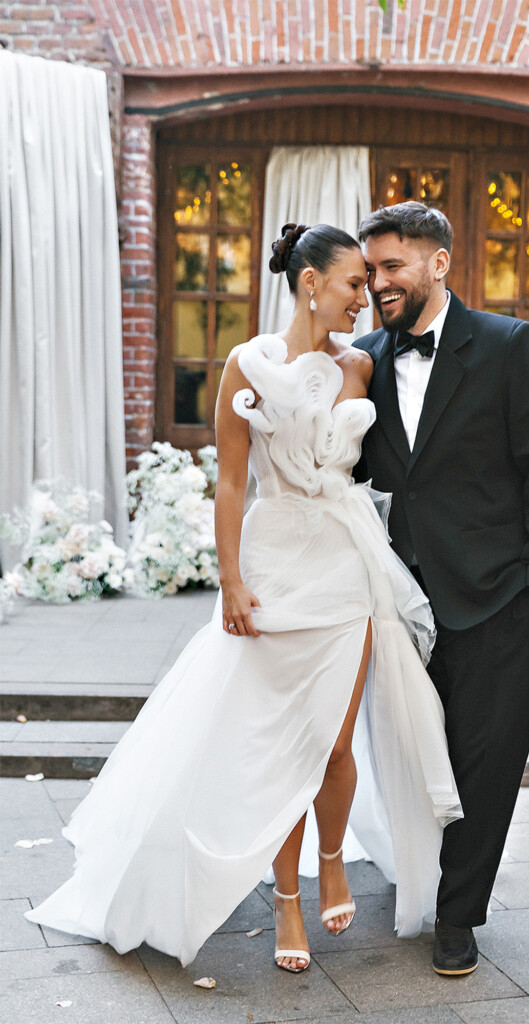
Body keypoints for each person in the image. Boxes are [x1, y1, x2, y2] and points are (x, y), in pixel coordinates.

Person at [25, 222, 461, 974]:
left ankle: (331, 859)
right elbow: (230, 482)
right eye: (353, 283)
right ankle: (286, 898)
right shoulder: (246, 364)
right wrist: (230, 577)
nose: (365, 297)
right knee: (284, 746)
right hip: (273, 563)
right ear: (309, 283)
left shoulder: (362, 365)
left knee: (333, 744)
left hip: (345, 564)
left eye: (368, 284)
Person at [354, 201, 529, 976]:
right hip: (399, 603)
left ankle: (457, 915)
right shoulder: (362, 359)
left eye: (392, 266)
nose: (378, 282)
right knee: (413, 756)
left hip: (497, 598)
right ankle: (417, 875)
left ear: (438, 262)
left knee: (485, 763)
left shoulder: (507, 344)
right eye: (370, 269)